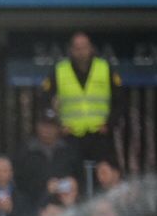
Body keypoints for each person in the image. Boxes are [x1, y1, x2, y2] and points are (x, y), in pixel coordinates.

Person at [41, 33, 121, 163]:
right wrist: (58, 125)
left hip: (99, 134)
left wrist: (110, 123)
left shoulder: (105, 68)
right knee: (73, 176)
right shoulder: (59, 70)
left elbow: (120, 101)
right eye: (77, 48)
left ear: (91, 49)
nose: (81, 52)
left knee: (103, 174)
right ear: (71, 50)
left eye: (84, 47)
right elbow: (44, 101)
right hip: (71, 135)